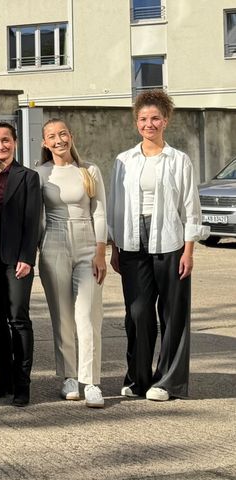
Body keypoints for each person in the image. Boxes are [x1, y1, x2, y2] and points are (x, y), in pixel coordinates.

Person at [107, 89, 208, 401]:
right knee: (137, 313)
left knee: (172, 313)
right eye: (143, 119)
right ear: (136, 122)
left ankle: (167, 382)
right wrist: (114, 248)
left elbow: (190, 207)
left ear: (165, 121)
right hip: (132, 242)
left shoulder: (179, 160)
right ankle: (138, 380)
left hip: (170, 240)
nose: (148, 124)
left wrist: (189, 251)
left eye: (154, 118)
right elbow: (114, 205)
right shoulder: (124, 160)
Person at [36, 119, 108, 409]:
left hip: (88, 245)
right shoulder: (40, 173)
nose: (58, 140)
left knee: (86, 316)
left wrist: (101, 251)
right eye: (52, 136)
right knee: (63, 316)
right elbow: (36, 216)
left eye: (63, 134)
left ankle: (90, 381)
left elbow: (100, 212)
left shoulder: (89, 170)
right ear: (44, 143)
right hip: (53, 245)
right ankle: (68, 376)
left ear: (71, 136)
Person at [0, 122, 42, 407]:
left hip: (16, 260)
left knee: (18, 318)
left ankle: (22, 383)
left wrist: (27, 258)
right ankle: (5, 378)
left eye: (5, 140)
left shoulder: (28, 177)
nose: (0, 146)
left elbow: (32, 220)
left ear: (14, 141)